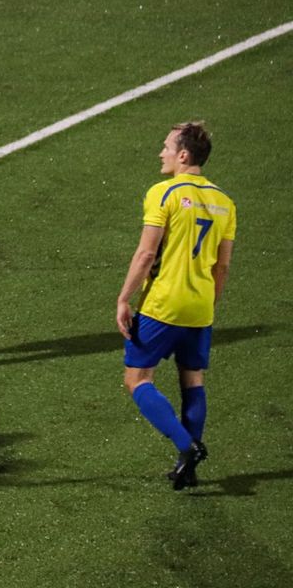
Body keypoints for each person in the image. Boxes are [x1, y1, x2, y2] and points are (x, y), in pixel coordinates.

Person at [116, 122, 235, 490]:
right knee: (192, 380)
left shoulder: (163, 193)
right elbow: (222, 265)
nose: (161, 153)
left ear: (184, 155)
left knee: (137, 379)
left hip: (163, 304)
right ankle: (189, 469)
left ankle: (189, 447)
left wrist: (124, 298)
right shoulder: (225, 202)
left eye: (166, 147)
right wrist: (207, 303)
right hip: (201, 307)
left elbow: (146, 252)